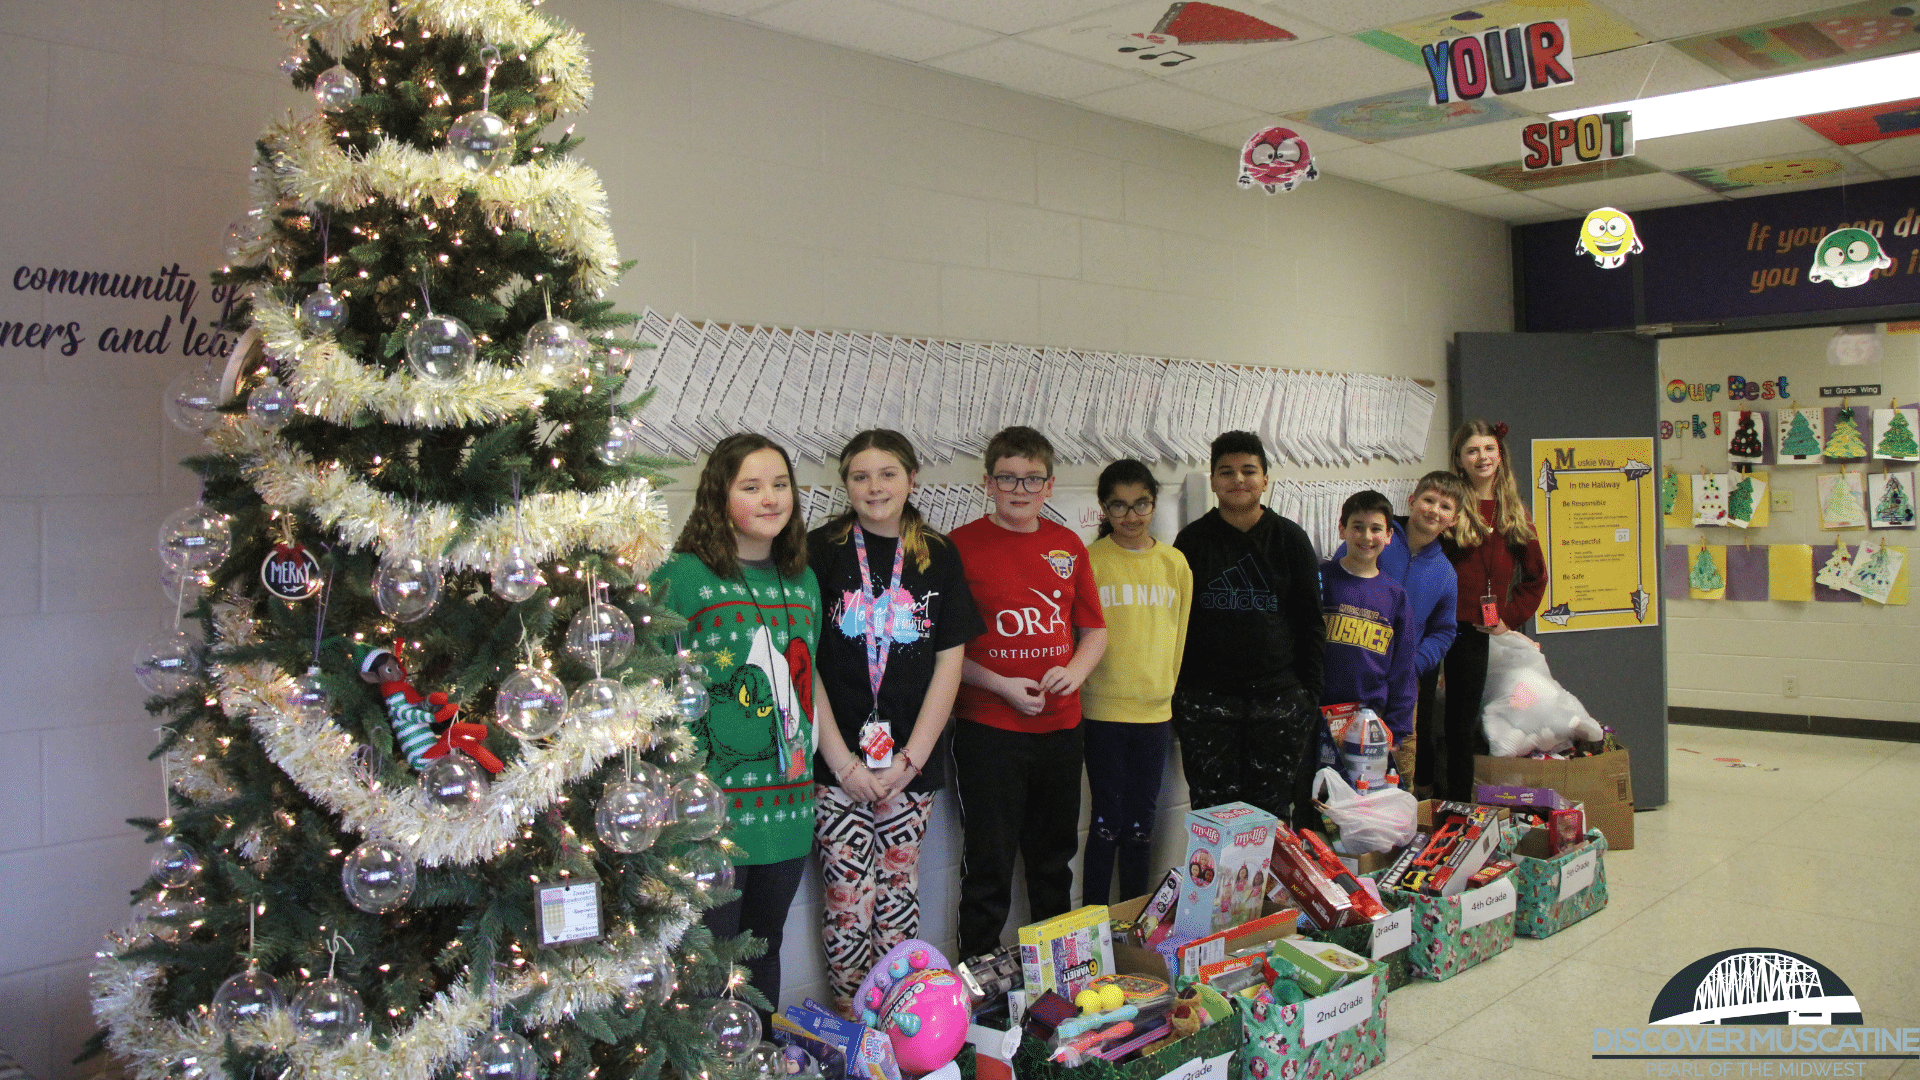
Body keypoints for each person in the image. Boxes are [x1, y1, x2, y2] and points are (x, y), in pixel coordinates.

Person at [807, 429, 984, 1013]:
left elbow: (949, 664)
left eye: (887, 474)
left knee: (899, 894)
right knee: (846, 899)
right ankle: (852, 1026)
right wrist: (842, 763)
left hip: (913, 761)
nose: (874, 486)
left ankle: (898, 1022)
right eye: (860, 476)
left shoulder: (939, 552)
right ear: (845, 484)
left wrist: (911, 760)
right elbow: (800, 662)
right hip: (837, 764)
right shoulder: (821, 551)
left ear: (912, 479)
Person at [648, 432, 820, 1011]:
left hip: (789, 808)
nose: (771, 499)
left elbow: (807, 682)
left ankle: (763, 1061)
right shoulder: (683, 577)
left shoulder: (802, 579)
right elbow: (652, 688)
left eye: (780, 484)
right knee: (709, 965)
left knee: (764, 952)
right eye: (751, 487)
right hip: (709, 816)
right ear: (718, 497)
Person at [950, 426, 1108, 959]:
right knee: (988, 865)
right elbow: (944, 650)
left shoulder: (1067, 546)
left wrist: (1076, 672)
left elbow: (1095, 632)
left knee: (1053, 861)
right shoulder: (960, 547)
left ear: (1050, 485)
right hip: (989, 731)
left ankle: (1057, 976)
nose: (1020, 488)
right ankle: (978, 985)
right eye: (1008, 478)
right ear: (989, 482)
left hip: (1061, 730)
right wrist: (1001, 685)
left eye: (1032, 478)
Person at [1172, 431, 1324, 826]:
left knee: (1270, 819)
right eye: (1226, 471)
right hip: (1207, 703)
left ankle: (1267, 890)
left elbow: (1311, 624)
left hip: (1278, 703)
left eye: (1248, 471)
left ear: (1264, 480)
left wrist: (1308, 698)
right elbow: (1176, 626)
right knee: (1212, 819)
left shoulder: (1290, 539)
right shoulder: (1191, 542)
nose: (1237, 479)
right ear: (1213, 480)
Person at [1080, 459, 1191, 906]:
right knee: (1106, 822)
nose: (1131, 515)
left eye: (1141, 503)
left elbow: (1180, 634)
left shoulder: (1174, 563)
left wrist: (1167, 690)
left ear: (1153, 503)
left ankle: (1131, 924)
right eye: (1119, 505)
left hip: (1154, 712)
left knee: (1142, 825)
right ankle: (1092, 923)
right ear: (1103, 508)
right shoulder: (1088, 561)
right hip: (1101, 711)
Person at [1330, 472, 1469, 793]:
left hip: (1401, 686)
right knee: (1341, 766)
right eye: (1428, 500)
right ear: (1412, 502)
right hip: (1351, 677)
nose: (1434, 510)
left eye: (1444, 506)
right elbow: (1338, 583)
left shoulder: (1445, 574)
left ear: (1453, 519)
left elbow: (1444, 631)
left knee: (1396, 768)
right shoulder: (1374, 539)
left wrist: (1411, 664)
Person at [1439, 420, 1547, 800]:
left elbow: (1536, 577)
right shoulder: (1449, 506)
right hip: (1434, 628)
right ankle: (1420, 797)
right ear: (1459, 459)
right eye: (1472, 450)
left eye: (1489, 449)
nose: (1482, 457)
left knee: (1462, 724)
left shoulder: (1513, 512)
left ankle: (1456, 805)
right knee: (1417, 717)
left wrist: (1509, 618)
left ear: (1500, 457)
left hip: (1475, 632)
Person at [1319, 490, 1416, 779]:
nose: (1366, 536)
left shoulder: (1395, 595)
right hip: (1320, 717)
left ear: (1388, 536)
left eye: (1376, 529)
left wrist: (1397, 729)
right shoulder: (1320, 579)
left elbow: (1403, 668)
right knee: (1318, 802)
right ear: (1342, 529)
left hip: (1370, 721)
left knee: (1363, 803)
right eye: (1357, 527)